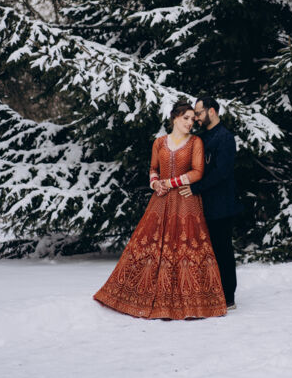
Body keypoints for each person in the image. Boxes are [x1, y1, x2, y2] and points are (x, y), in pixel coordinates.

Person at [93, 99, 227, 320]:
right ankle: (140, 297)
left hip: (186, 200)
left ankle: (193, 303)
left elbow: (198, 172)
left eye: (192, 119)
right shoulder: (159, 142)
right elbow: (153, 168)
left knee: (186, 248)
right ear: (175, 118)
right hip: (161, 200)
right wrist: (155, 183)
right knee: (149, 245)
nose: (190, 123)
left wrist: (170, 183)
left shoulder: (196, 142)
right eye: (186, 118)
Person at [179, 96, 241, 310]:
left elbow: (221, 173)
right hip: (204, 204)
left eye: (199, 113)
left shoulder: (225, 138)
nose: (196, 117)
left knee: (223, 250)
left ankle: (228, 297)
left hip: (222, 206)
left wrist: (195, 188)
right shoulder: (202, 138)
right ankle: (212, 293)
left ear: (212, 111)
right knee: (207, 251)